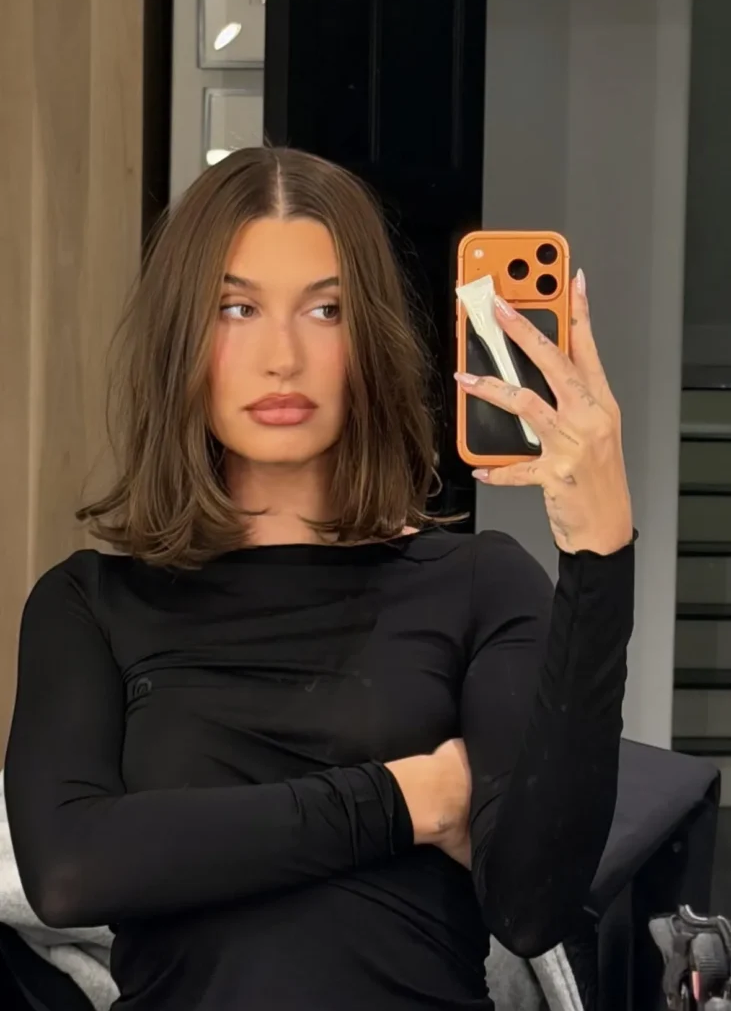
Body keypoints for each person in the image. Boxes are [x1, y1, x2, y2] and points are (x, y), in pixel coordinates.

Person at [5, 147, 634, 1011]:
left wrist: (599, 554)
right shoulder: (91, 603)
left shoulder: (479, 583)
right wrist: (410, 800)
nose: (283, 357)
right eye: (236, 308)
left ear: (369, 337)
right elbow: (71, 870)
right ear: (181, 338)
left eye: (325, 310)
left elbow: (532, 906)